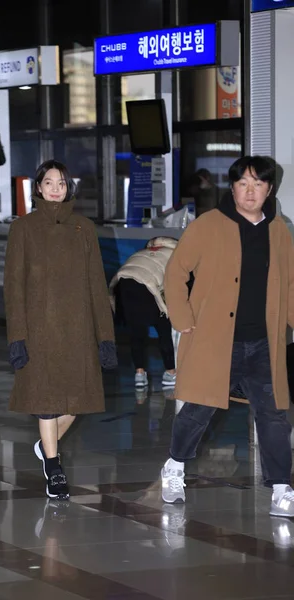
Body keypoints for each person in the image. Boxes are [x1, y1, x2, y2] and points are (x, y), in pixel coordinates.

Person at [161, 155, 294, 518]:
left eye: (259, 184)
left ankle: (281, 487)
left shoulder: (278, 229)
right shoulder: (209, 225)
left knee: (274, 415)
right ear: (232, 187)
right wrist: (182, 317)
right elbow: (176, 271)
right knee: (198, 410)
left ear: (269, 190)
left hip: (264, 342)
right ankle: (174, 467)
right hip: (217, 339)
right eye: (243, 183)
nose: (251, 191)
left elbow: (291, 283)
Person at [3, 159, 117, 501]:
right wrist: (17, 336)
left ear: (69, 188)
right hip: (38, 332)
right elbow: (13, 286)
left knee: (79, 397)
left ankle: (45, 444)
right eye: (49, 182)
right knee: (46, 403)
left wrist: (105, 336)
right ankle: (53, 466)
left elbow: (98, 285)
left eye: (62, 183)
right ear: (38, 187)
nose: (55, 188)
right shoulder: (23, 228)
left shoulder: (84, 228)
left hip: (78, 330)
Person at [109, 237, 178, 389]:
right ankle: (170, 372)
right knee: (164, 330)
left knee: (136, 333)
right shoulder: (176, 255)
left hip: (123, 282)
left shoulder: (145, 251)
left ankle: (139, 374)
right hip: (147, 285)